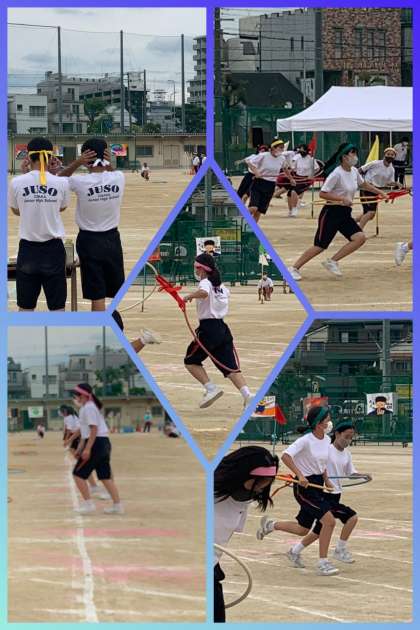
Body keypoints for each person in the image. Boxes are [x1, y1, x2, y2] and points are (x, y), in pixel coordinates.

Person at [269, 421, 371, 568]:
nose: (348, 440)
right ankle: (335, 552)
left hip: (335, 494)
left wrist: (363, 476)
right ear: (337, 434)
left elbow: (350, 473)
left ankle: (290, 547)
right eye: (346, 436)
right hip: (322, 494)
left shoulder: (347, 454)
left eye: (351, 437)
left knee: (310, 529)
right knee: (350, 517)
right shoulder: (326, 449)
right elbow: (318, 466)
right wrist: (321, 480)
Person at [257, 406, 339, 576]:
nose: (330, 421)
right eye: (327, 418)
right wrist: (300, 475)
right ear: (319, 422)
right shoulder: (305, 440)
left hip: (317, 484)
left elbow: (322, 464)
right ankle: (323, 563)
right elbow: (286, 456)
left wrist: (326, 480)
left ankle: (271, 525)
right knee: (329, 521)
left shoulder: (326, 440)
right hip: (304, 488)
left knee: (303, 529)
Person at [288, 144, 388, 280]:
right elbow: (323, 193)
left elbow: (364, 185)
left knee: (359, 238)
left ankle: (332, 261)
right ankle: (294, 268)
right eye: (353, 153)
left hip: (345, 213)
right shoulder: (336, 173)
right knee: (320, 246)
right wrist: (342, 199)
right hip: (331, 213)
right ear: (344, 157)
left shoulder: (354, 171)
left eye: (355, 153)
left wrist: (381, 193)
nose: (355, 156)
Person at [58, 137, 125, 311]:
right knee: (114, 289)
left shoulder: (79, 181)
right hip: (112, 239)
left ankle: (99, 322)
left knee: (97, 292)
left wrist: (77, 163)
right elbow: (112, 172)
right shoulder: (119, 177)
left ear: (86, 158)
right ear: (106, 155)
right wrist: (108, 164)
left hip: (89, 240)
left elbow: (57, 180)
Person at [214, 446, 279, 623]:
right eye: (257, 484)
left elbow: (222, 537)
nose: (259, 491)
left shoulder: (244, 502)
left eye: (264, 486)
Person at [8, 137, 70, 311]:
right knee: (57, 308)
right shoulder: (61, 182)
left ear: (28, 156)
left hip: (28, 249)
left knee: (25, 307)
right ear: (51, 157)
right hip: (54, 249)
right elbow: (62, 207)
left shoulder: (16, 182)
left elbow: (16, 210)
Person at [183, 253, 252, 409]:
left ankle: (211, 388)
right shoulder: (222, 286)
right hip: (223, 329)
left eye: (196, 267)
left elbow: (204, 293)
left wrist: (189, 296)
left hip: (208, 329)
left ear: (202, 269)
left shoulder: (205, 282)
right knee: (230, 367)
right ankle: (248, 396)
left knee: (190, 361)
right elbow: (222, 296)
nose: (195, 270)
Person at [71, 383, 123, 515]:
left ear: (83, 395)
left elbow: (93, 429)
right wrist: (80, 449)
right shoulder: (87, 408)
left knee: (77, 474)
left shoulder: (88, 408)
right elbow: (85, 433)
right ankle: (118, 506)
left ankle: (88, 505)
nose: (75, 398)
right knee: (105, 476)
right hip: (103, 442)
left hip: (96, 443)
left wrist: (87, 449)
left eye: (76, 395)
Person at [61, 404, 110, 500]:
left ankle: (97, 488)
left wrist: (68, 440)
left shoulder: (86, 410)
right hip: (83, 438)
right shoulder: (80, 413)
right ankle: (95, 486)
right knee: (84, 464)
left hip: (90, 440)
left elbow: (75, 430)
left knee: (85, 465)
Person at [246, 139, 295, 222]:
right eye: (280, 147)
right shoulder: (263, 155)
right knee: (253, 208)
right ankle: (241, 219)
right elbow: (250, 163)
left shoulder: (282, 158)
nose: (282, 150)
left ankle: (251, 227)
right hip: (259, 183)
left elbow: (285, 169)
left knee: (259, 211)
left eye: (282, 148)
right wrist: (257, 172)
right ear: (273, 148)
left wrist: (291, 179)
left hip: (270, 185)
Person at [357, 147, 400, 229]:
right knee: (370, 212)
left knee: (369, 215)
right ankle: (358, 231)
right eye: (388, 154)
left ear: (394, 157)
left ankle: (350, 222)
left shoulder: (391, 169)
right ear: (384, 155)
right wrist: (357, 180)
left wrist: (396, 183)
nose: (390, 156)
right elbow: (360, 169)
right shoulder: (375, 163)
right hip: (367, 188)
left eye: (392, 155)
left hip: (377, 191)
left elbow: (388, 183)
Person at [284, 144, 321, 217]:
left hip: (306, 179)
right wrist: (288, 170)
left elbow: (317, 168)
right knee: (289, 194)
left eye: (303, 149)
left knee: (294, 191)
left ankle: (294, 210)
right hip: (298, 178)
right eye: (300, 149)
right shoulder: (297, 158)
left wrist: (311, 175)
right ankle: (290, 211)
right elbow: (293, 168)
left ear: (306, 151)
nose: (301, 151)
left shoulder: (311, 159)